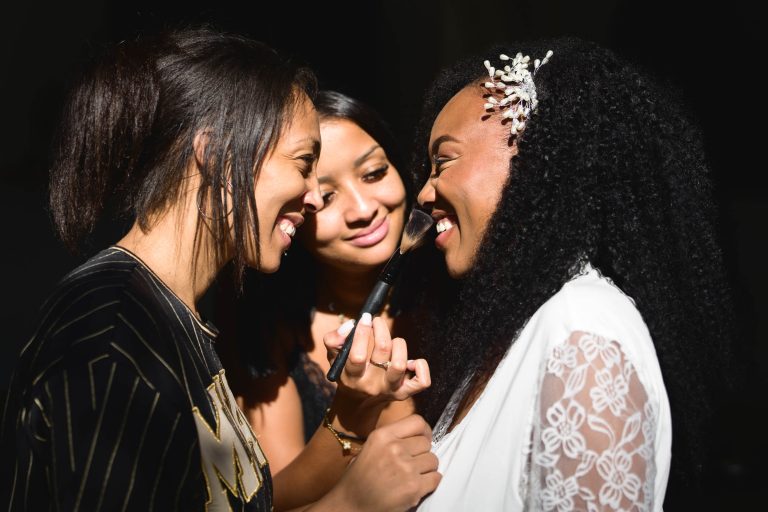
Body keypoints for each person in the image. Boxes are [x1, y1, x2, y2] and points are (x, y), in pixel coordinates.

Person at [0, 28, 439, 511]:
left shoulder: (173, 321)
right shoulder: (114, 330)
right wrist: (350, 506)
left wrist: (352, 416)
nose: (312, 198)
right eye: (303, 164)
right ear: (218, 155)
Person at [400, 37, 732, 510]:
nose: (425, 193)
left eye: (444, 160)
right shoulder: (513, 334)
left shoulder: (583, 329)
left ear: (533, 151)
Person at [215, 90, 418, 474]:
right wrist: (350, 414)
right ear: (292, 213)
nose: (363, 209)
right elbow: (272, 497)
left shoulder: (452, 291)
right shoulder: (272, 330)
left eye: (374, 173)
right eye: (325, 198)